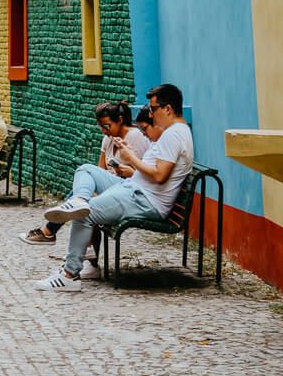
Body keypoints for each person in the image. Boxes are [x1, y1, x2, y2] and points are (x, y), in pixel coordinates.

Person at [34, 83, 193, 292]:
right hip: (134, 187)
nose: (152, 114)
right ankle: (79, 199)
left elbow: (160, 175)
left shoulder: (174, 134)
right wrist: (130, 156)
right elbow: (156, 172)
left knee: (84, 214)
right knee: (86, 170)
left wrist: (132, 158)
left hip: (144, 199)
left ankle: (69, 275)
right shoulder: (175, 132)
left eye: (153, 109)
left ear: (168, 109)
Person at [19, 100, 150, 248]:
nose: (104, 131)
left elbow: (145, 174)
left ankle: (50, 232)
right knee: (83, 200)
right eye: (101, 127)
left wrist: (129, 173)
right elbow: (100, 170)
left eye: (107, 126)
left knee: (82, 202)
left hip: (129, 192)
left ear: (119, 120)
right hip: (111, 188)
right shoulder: (108, 139)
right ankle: (82, 254)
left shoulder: (135, 137)